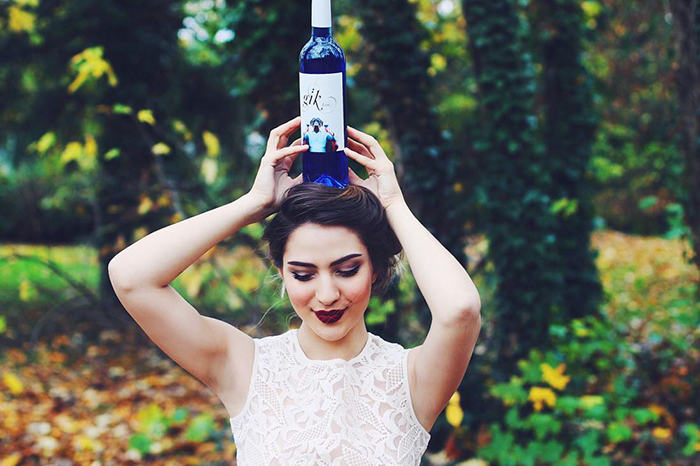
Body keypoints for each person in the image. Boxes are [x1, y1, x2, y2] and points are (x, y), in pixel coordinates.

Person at [108, 116, 482, 465]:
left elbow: (460, 310)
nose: (327, 294)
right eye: (303, 275)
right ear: (282, 273)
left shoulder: (412, 379)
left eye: (347, 270)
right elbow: (130, 277)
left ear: (376, 269)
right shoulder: (243, 365)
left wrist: (393, 205)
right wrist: (252, 205)